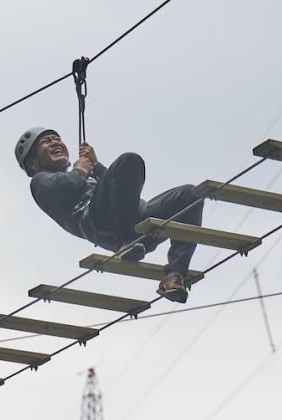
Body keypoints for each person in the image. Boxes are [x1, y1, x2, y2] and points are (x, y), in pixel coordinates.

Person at [14, 127, 202, 303]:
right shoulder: (41, 182)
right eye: (46, 142)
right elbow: (69, 185)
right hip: (103, 224)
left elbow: (119, 184)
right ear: (32, 162)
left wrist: (95, 165)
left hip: (132, 223)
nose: (55, 143)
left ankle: (175, 275)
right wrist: (82, 169)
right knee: (129, 160)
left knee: (190, 195)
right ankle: (126, 243)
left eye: (57, 139)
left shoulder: (81, 173)